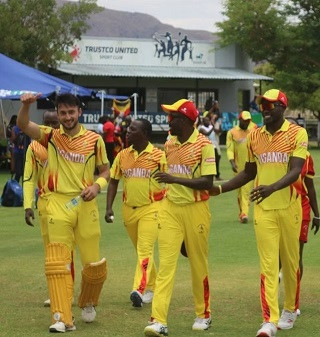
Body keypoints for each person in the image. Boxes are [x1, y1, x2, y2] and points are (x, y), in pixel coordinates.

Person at [209, 89, 308, 337]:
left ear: (283, 108)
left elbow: (296, 170)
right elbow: (249, 173)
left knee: (291, 263)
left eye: (270, 105)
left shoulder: (297, 133)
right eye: (262, 104)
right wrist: (220, 188)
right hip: (264, 211)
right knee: (267, 266)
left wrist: (272, 188)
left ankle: (290, 308)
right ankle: (269, 320)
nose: (264, 109)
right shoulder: (254, 136)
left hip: (289, 207)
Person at [17, 92, 110, 333]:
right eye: (63, 113)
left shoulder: (95, 140)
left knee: (92, 263)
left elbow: (106, 172)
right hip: (57, 204)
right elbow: (23, 125)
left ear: (79, 112)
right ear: (57, 115)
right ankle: (61, 317)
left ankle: (88, 302)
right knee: (58, 263)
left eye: (71, 112)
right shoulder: (49, 137)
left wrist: (96, 186)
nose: (67, 117)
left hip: (85, 204)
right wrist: (26, 106)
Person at [143, 99, 216, 336]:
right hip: (170, 208)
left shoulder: (204, 145)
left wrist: (174, 180)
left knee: (198, 264)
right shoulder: (169, 143)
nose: (168, 121)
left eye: (172, 117)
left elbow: (207, 183)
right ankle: (158, 320)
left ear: (184, 121)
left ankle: (203, 314)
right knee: (166, 265)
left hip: (196, 210)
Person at [105, 118, 167, 308]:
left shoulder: (158, 155)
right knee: (142, 251)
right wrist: (108, 208)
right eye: (128, 129)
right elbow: (114, 181)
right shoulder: (122, 155)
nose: (127, 132)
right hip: (128, 210)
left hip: (152, 208)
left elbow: (170, 181)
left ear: (145, 134)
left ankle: (138, 290)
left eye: (133, 129)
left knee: (144, 249)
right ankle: (151, 286)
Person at [22, 110, 65, 307]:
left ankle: (68, 291)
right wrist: (27, 205)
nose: (51, 127)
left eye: (54, 122)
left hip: (68, 203)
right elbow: (29, 178)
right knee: (51, 252)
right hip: (45, 204)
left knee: (66, 250)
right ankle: (57, 292)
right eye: (47, 122)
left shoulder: (68, 143)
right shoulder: (34, 146)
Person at [287, 117, 320, 315]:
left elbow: (310, 186)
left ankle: (294, 301)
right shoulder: (275, 154)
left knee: (297, 255)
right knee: (280, 257)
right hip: (280, 207)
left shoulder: (306, 156)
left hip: (302, 206)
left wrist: (317, 214)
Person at [225, 110, 257, 223]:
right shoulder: (232, 133)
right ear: (239, 120)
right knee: (239, 192)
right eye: (245, 121)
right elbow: (229, 149)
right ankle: (242, 213)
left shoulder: (254, 130)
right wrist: (232, 162)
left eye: (248, 121)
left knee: (246, 190)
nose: (247, 123)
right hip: (238, 167)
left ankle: (244, 214)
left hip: (250, 167)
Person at [198, 104, 222, 180]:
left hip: (213, 146)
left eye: (208, 120)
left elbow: (218, 131)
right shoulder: (201, 128)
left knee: (217, 159)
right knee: (206, 161)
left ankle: (217, 175)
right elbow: (207, 133)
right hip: (204, 147)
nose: (208, 121)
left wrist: (216, 126)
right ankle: (204, 175)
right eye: (206, 119)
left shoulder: (211, 126)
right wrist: (213, 126)